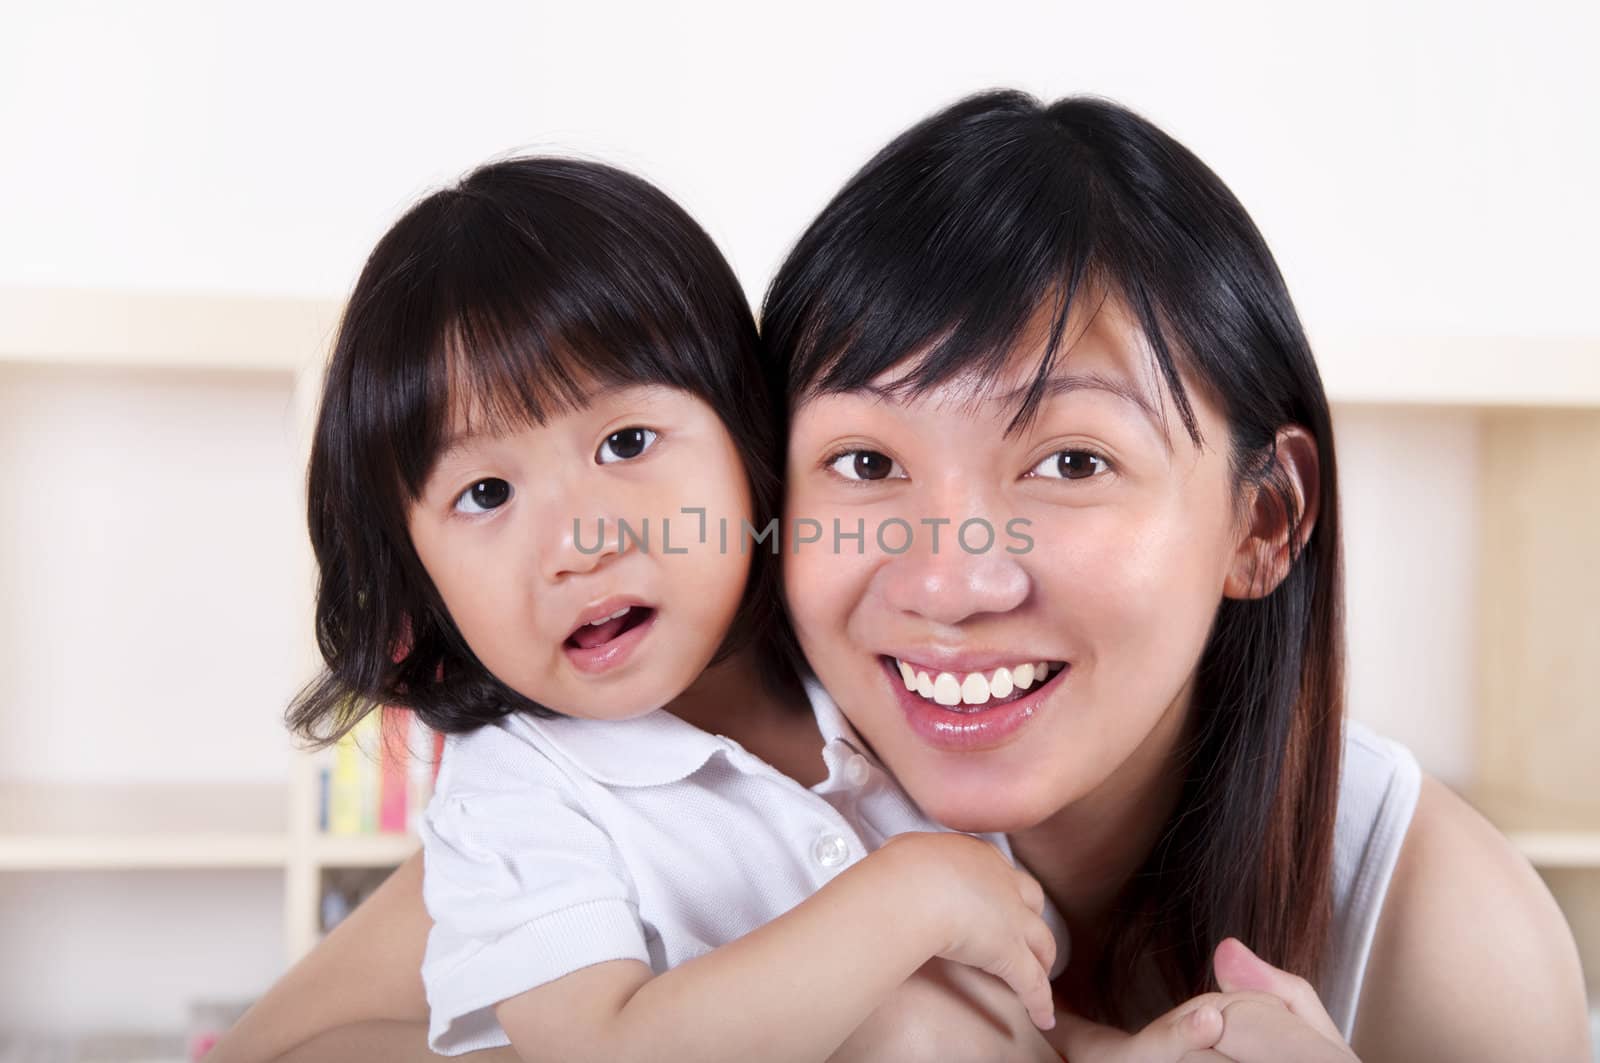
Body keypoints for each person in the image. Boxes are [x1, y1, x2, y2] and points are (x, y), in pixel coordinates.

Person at [215, 94, 1593, 1063]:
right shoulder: (675, 751)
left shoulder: (1447, 937)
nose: (945, 578)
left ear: (1266, 514)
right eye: (867, 467)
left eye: (1068, 461)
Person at [210, 156, 1064, 1063]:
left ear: (746, 436)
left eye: (626, 441)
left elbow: (1009, 996)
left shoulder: (868, 675)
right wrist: (908, 896)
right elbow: (604, 1047)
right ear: (417, 571)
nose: (579, 542)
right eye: (486, 492)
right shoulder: (516, 795)